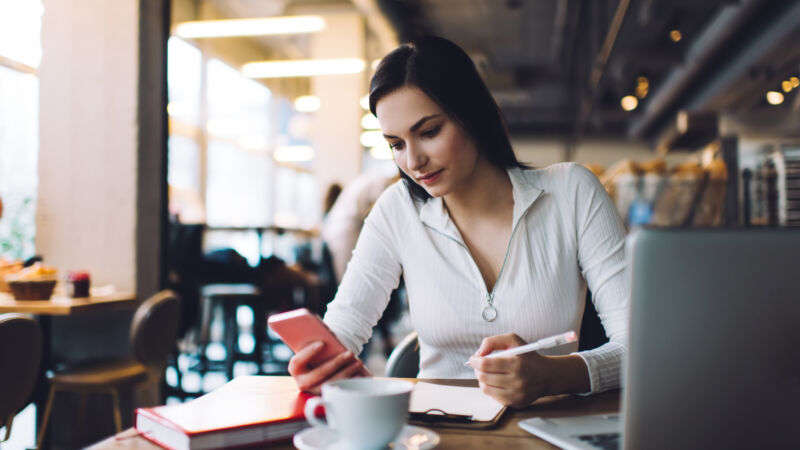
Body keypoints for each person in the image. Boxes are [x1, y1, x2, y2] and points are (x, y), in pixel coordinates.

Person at [288, 36, 628, 408]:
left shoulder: (571, 192)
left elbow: (640, 350)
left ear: (474, 116)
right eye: (396, 144)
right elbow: (344, 328)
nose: (413, 161)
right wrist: (319, 364)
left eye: (429, 132)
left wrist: (551, 375)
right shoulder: (397, 210)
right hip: (433, 433)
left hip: (546, 430)